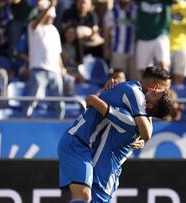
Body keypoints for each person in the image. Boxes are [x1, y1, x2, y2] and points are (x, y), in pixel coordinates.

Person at [58, 66, 171, 202]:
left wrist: (105, 96)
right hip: (78, 143)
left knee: (83, 197)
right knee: (83, 196)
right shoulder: (135, 95)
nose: (156, 90)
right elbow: (146, 132)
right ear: (155, 85)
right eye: (162, 88)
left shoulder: (134, 108)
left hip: (95, 161)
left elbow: (145, 126)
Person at [86, 92, 172, 202]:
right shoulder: (139, 123)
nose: (151, 89)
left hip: (102, 178)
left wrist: (110, 91)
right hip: (103, 176)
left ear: (149, 105)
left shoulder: (129, 121)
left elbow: (92, 101)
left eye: (154, 93)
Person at [25, 0, 68, 118]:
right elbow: (38, 21)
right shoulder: (33, 26)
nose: (51, 18)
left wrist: (62, 68)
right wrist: (50, 5)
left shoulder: (54, 30)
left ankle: (60, 123)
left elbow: (57, 53)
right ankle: (25, 121)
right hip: (38, 70)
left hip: (55, 71)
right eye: (49, 16)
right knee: (32, 101)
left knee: (59, 102)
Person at [135, 0, 173, 75]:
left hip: (161, 35)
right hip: (143, 37)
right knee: (143, 72)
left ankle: (165, 86)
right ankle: (146, 87)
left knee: (164, 67)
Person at [103, 0, 137, 80]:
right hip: (118, 50)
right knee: (117, 79)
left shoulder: (137, 10)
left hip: (134, 51)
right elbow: (106, 31)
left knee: (135, 80)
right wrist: (106, 49)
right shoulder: (112, 12)